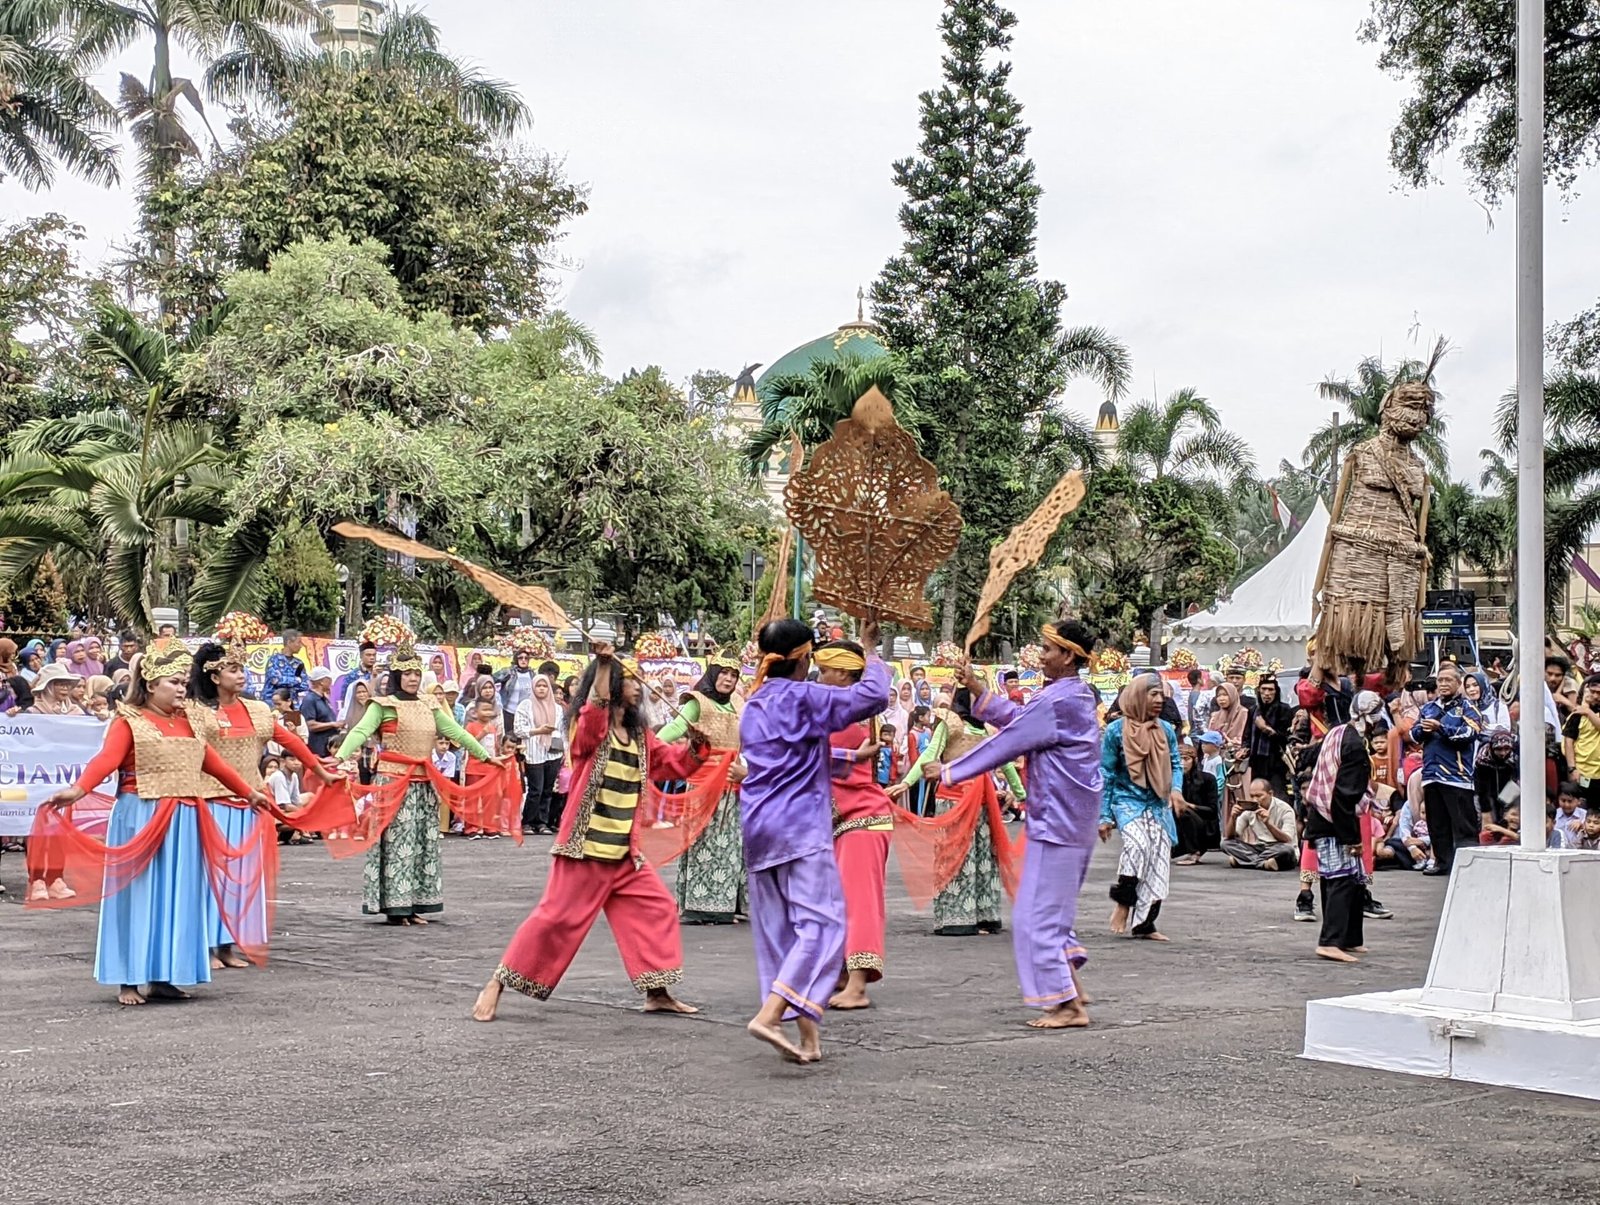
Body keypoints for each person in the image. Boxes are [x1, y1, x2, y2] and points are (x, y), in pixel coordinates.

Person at [471, 642, 707, 1022]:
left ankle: (657, 991)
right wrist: (601, 664)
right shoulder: (589, 729)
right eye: (629, 679)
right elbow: (594, 713)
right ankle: (497, 982)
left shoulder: (641, 735)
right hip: (585, 849)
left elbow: (671, 765)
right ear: (612, 684)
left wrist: (698, 747)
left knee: (657, 907)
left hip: (623, 855)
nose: (638, 685)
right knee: (554, 920)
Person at [31, 640, 269, 1005]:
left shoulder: (189, 721)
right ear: (151, 684)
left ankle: (164, 976)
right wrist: (78, 791)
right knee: (137, 897)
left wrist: (248, 791)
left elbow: (212, 763)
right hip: (140, 815)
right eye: (173, 682)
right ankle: (128, 979)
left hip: (186, 818)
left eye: (183, 683)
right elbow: (106, 760)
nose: (180, 688)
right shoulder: (131, 721)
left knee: (179, 896)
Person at [923, 620, 1102, 1030]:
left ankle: (1068, 1006)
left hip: (1060, 821)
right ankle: (1070, 985)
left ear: (1069, 656)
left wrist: (950, 772)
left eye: (1047, 649)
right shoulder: (1067, 695)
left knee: (1034, 916)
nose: (1041, 655)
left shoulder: (1059, 700)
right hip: (1063, 818)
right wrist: (980, 692)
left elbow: (1010, 738)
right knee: (1047, 912)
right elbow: (1022, 720)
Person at [738, 615, 886, 1064]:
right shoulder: (806, 697)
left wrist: (845, 756)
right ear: (803, 659)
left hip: (759, 826)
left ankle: (807, 1037)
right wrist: (870, 649)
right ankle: (768, 1015)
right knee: (821, 928)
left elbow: (789, 750)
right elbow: (873, 695)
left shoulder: (756, 702)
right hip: (800, 829)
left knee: (783, 934)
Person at [186, 639, 338, 967]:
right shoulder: (197, 712)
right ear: (214, 676)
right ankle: (206, 946)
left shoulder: (257, 710)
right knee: (211, 876)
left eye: (241, 668)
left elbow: (291, 741)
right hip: (211, 801)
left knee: (243, 877)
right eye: (233, 669)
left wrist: (320, 770)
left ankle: (227, 945)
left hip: (250, 803)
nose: (241, 675)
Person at [333, 640, 505, 924]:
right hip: (393, 782)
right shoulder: (383, 705)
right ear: (397, 676)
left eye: (416, 673)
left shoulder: (430, 703)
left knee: (422, 844)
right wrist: (339, 758)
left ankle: (414, 904)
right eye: (407, 673)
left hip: (423, 784)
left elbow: (456, 733)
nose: (413, 678)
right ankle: (395, 908)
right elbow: (361, 730)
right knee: (398, 843)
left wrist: (486, 756)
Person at [889, 684, 1024, 935]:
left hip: (976, 801)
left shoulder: (986, 729)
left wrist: (1022, 794)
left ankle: (972, 916)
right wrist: (907, 782)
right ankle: (967, 916)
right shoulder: (951, 724)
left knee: (976, 858)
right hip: (957, 800)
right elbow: (931, 753)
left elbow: (1003, 762)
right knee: (964, 856)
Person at [813, 641, 894, 1010]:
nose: (820, 675)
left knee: (859, 903)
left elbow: (804, 752)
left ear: (844, 674)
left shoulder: (841, 713)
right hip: (843, 821)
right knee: (837, 902)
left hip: (862, 818)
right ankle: (844, 975)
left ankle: (858, 984)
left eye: (826, 669)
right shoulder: (838, 709)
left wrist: (871, 649)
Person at [654, 658, 748, 925]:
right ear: (713, 674)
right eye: (724, 674)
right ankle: (700, 906)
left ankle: (727, 904)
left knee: (730, 846)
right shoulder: (697, 702)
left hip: (732, 783)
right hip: (704, 783)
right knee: (702, 841)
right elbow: (674, 730)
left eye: (733, 675)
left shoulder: (740, 704)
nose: (728, 679)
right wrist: (652, 748)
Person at [1099, 676, 1188, 941]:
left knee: (1159, 861)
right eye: (1153, 695)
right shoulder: (1116, 731)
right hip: (1127, 801)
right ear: (1137, 696)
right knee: (1138, 847)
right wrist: (1104, 815)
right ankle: (1124, 903)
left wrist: (1176, 789)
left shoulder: (1166, 730)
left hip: (1158, 802)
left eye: (1161, 695)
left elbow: (1176, 763)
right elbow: (1106, 773)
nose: (1159, 700)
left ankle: (1145, 925)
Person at [1303, 691, 1385, 962]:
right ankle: (1330, 941)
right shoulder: (1353, 744)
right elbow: (1343, 795)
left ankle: (1349, 938)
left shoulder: (1339, 732)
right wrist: (1352, 838)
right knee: (1339, 879)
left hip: (1328, 817)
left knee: (1351, 880)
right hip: (1334, 820)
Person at [1410, 663, 1484, 876]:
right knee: (1437, 823)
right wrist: (1424, 731)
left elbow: (1470, 733)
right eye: (1440, 680)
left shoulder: (1469, 708)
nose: (1443, 684)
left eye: (1448, 680)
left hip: (1456, 777)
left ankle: (1470, 866)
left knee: (1463, 825)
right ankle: (1442, 862)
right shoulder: (1428, 708)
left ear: (1458, 683)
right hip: (1431, 775)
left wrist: (1440, 728)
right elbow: (1414, 736)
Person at [514, 673, 565, 835]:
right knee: (536, 789)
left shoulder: (557, 708)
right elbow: (518, 729)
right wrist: (538, 731)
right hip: (533, 752)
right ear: (533, 687)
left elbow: (562, 731)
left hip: (553, 753)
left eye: (544, 686)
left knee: (548, 789)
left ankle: (542, 822)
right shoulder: (525, 705)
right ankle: (528, 821)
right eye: (538, 686)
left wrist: (564, 749)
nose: (541, 689)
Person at [1221, 778, 1299, 870]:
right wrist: (1233, 817)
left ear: (1270, 794)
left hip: (1279, 848)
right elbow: (1230, 836)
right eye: (1252, 796)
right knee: (1225, 843)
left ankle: (1245, 861)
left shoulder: (1285, 810)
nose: (1255, 800)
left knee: (1287, 850)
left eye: (1259, 796)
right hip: (1260, 848)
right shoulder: (1250, 809)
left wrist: (1268, 824)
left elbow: (1287, 840)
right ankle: (1263, 864)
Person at [1172, 739, 1220, 864]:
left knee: (1183, 811)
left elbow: (1212, 811)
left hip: (1205, 824)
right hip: (1180, 824)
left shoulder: (1208, 779)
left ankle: (1194, 852)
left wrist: (1189, 806)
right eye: (1180, 759)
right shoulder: (1172, 781)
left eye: (1186, 759)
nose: (1183, 763)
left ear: (1194, 760)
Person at [1247, 678, 1293, 797]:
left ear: (1276, 692)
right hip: (1257, 761)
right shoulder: (1253, 710)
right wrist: (1244, 748)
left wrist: (1266, 729)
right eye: (1264, 689)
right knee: (1257, 794)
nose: (1267, 693)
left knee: (1277, 795)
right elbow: (1247, 735)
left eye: (1270, 690)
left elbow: (1285, 738)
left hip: (1276, 761)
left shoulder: (1284, 710)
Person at [1562, 673, 1600, 813]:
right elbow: (1568, 741)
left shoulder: (1586, 712)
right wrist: (1572, 768)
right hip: (1583, 772)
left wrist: (1588, 712)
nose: (1596, 696)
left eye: (1599, 693)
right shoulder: (1577, 714)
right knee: (1581, 811)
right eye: (1593, 692)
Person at [1475, 729, 1520, 825]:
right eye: (1499, 749)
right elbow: (1482, 788)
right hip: (1486, 792)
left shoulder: (1513, 758)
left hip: (1508, 791)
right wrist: (1485, 811)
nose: (1503, 753)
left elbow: (1515, 781)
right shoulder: (1483, 759)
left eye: (1506, 749)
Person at [299, 666, 341, 760]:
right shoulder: (310, 700)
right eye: (329, 679)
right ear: (322, 681)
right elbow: (310, 725)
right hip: (319, 749)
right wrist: (332, 724)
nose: (331, 682)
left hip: (328, 747)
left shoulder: (323, 699)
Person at [264, 629, 310, 706]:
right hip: (273, 704)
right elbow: (275, 680)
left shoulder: (299, 664)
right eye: (298, 642)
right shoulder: (274, 660)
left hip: (292, 705)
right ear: (289, 642)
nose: (301, 645)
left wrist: (285, 680)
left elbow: (304, 685)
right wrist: (296, 680)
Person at [496, 650, 538, 734]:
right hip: (509, 711)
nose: (523, 660)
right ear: (516, 659)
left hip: (525, 713)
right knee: (509, 737)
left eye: (526, 658)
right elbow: (492, 679)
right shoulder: (509, 672)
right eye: (520, 658)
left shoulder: (532, 674)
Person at [336, 641, 379, 712]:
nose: (372, 657)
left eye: (374, 655)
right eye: (368, 655)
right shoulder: (352, 676)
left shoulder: (381, 674)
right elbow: (345, 698)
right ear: (361, 656)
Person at [1554, 782, 1588, 847]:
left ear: (1579, 801)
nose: (1566, 805)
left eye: (1570, 801)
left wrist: (1583, 825)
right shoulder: (1554, 815)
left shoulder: (1585, 815)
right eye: (1563, 800)